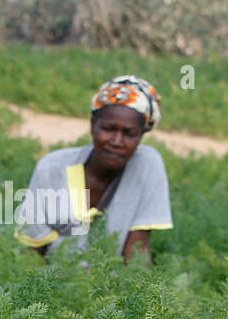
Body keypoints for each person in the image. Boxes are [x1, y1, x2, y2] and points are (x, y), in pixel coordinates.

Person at [15, 75, 171, 265]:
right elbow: (31, 250)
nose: (117, 141)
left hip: (108, 287)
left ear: (141, 135)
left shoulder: (147, 165)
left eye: (129, 133)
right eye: (108, 129)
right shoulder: (52, 169)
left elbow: (137, 252)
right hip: (50, 281)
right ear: (92, 126)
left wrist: (140, 292)